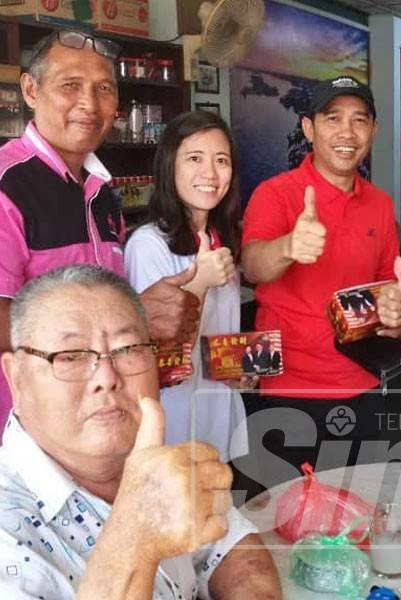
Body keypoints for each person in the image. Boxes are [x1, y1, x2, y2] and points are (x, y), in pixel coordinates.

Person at [0, 265, 281, 599]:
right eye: (70, 356)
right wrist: (134, 537)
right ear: (15, 377)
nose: (106, 376)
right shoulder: (8, 534)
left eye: (128, 349)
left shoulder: (149, 457)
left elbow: (231, 547)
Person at [0, 29, 198, 438]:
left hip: (95, 425)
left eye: (104, 88)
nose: (88, 104)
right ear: (31, 90)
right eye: (69, 85)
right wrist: (132, 318)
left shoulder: (103, 195)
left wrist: (139, 316)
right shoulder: (8, 185)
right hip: (25, 432)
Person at [241, 76, 401, 476]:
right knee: (294, 521)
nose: (347, 132)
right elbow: (251, 264)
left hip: (364, 381)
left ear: (373, 130)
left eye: (359, 120)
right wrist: (288, 247)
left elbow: (388, 284)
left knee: (362, 511)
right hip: (291, 389)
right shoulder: (276, 193)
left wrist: (398, 303)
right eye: (333, 119)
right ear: (309, 128)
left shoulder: (380, 204)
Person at [125, 110, 247, 465]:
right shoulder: (149, 245)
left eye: (221, 160)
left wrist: (239, 365)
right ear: (169, 167)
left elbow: (216, 339)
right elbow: (159, 358)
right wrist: (201, 282)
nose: (210, 173)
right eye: (195, 158)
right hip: (175, 426)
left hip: (218, 419)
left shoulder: (218, 239)